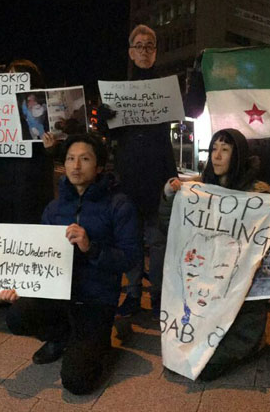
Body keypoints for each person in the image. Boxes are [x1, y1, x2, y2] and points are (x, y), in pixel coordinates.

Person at [0, 133, 141, 395]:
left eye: (84, 159)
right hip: (59, 296)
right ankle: (61, 335)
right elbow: (37, 258)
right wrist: (19, 285)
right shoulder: (54, 208)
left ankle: (96, 341)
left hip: (96, 300)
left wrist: (91, 247)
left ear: (98, 167)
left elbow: (131, 257)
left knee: (77, 381)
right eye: (70, 159)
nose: (76, 166)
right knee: (17, 316)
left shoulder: (119, 205)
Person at [160, 128, 270, 380]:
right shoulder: (198, 191)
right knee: (179, 355)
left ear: (238, 155)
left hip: (242, 296)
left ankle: (253, 342)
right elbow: (171, 229)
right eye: (213, 149)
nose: (216, 156)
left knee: (206, 368)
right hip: (206, 293)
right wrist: (170, 199)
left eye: (225, 149)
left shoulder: (257, 195)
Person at [107, 24, 177, 319]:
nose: (145, 50)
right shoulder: (119, 91)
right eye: (139, 45)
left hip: (160, 174)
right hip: (129, 176)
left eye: (150, 46)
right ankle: (134, 294)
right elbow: (111, 135)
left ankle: (158, 295)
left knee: (159, 240)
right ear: (130, 52)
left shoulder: (165, 90)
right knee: (131, 240)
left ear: (156, 51)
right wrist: (104, 119)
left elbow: (187, 111)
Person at [0, 59, 56, 226]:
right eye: (9, 76)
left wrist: (51, 148)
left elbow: (62, 153)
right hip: (2, 191)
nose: (12, 80)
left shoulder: (44, 110)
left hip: (33, 190)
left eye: (17, 76)